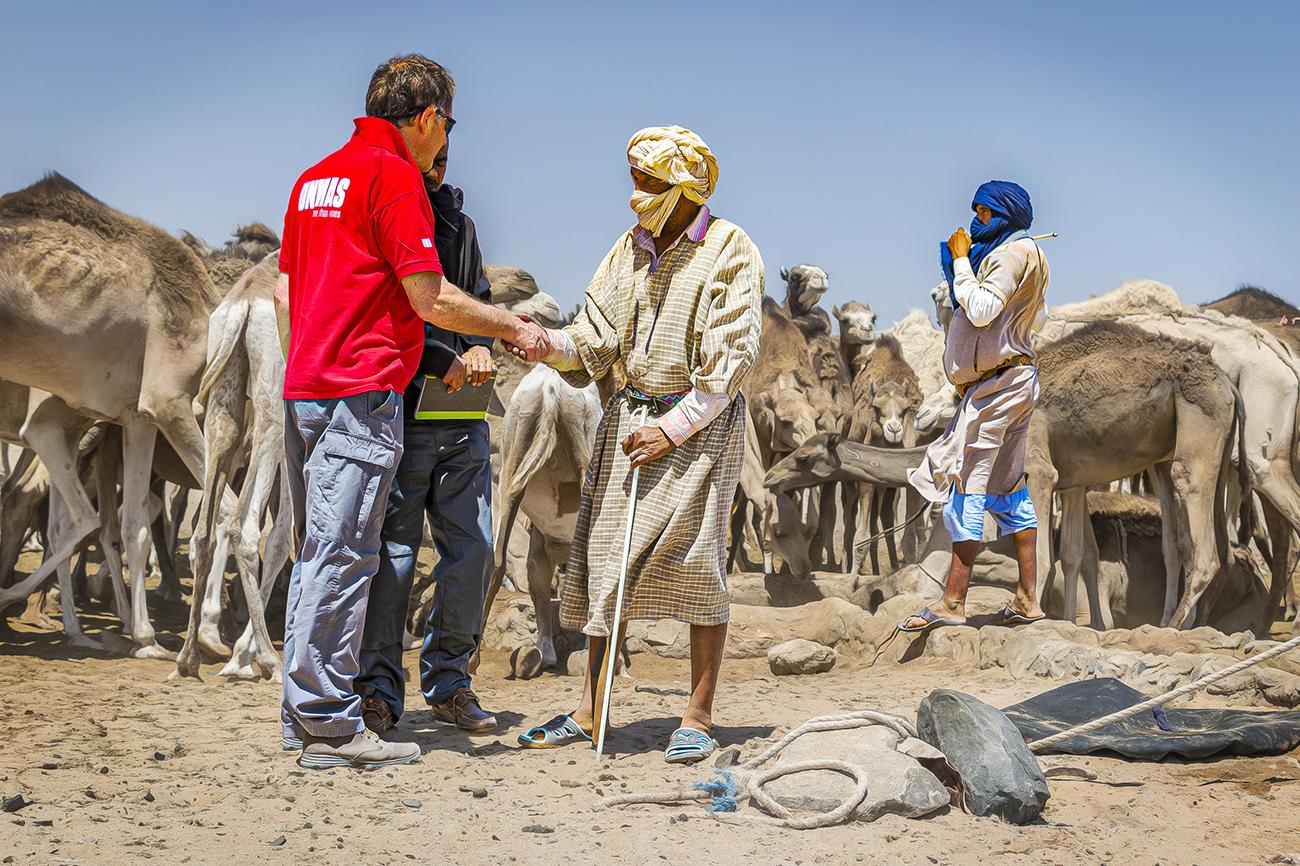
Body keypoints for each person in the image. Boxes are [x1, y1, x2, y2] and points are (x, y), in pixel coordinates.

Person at [274, 54, 549, 770]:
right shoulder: (391, 175)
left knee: (319, 555)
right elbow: (429, 296)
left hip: (307, 388)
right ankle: (331, 727)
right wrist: (512, 329)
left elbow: (283, 292)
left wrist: (310, 362)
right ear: (428, 117)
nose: (445, 141)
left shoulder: (314, 179)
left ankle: (305, 716)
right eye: (447, 125)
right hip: (363, 390)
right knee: (348, 556)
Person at [512, 126, 763, 765]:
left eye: (647, 182)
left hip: (698, 425)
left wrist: (673, 428)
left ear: (682, 186)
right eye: (633, 181)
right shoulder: (629, 247)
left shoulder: (730, 250)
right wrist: (546, 344)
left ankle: (698, 715)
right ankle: (590, 710)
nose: (635, 195)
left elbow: (729, 362)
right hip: (630, 421)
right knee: (607, 562)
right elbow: (595, 335)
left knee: (697, 562)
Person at [353, 142, 499, 735]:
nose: (437, 166)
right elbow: (394, 312)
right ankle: (378, 690)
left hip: (462, 416)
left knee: (475, 549)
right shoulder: (386, 219)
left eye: (443, 156)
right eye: (429, 156)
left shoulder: (461, 226)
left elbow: (477, 300)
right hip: (400, 413)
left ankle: (450, 682)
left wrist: (482, 344)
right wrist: (441, 357)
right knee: (394, 557)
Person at [900, 180, 1050, 633]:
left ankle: (952, 601)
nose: (975, 221)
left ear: (1004, 214)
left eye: (983, 213)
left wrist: (962, 261)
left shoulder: (1009, 255)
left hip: (997, 387)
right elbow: (1033, 317)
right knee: (1009, 487)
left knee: (968, 483)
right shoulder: (1030, 255)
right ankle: (1027, 599)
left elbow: (982, 310)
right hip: (1012, 381)